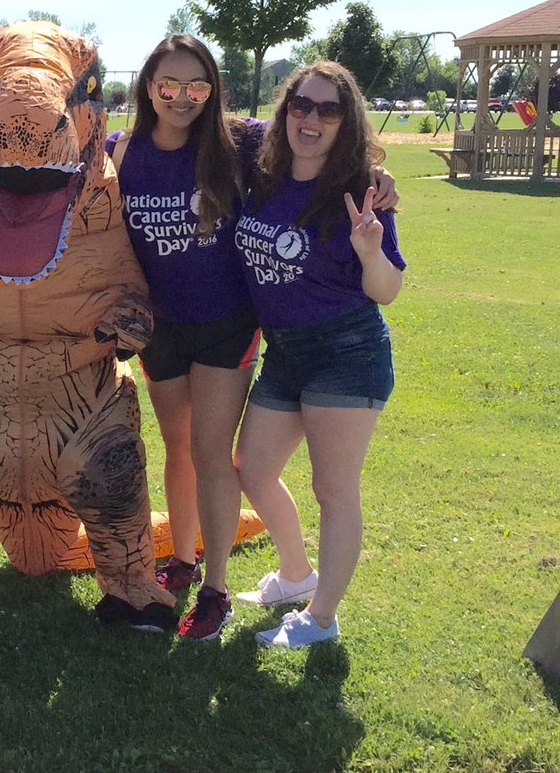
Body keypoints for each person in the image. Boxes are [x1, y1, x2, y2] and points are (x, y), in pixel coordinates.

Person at [229, 60, 405, 648]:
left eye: (328, 110)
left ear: (345, 121)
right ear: (286, 111)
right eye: (301, 105)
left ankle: (322, 619)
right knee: (251, 468)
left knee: (334, 490)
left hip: (346, 350)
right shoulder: (264, 173)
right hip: (285, 352)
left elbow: (386, 291)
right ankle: (296, 575)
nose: (311, 118)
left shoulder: (360, 192)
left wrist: (371, 249)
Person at [105, 36, 262, 621]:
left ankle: (216, 589)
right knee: (177, 448)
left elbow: (323, 153)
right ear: (149, 87)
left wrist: (377, 178)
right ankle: (184, 558)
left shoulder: (241, 143)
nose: (182, 98)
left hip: (227, 323)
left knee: (210, 450)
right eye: (168, 86)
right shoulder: (120, 152)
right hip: (161, 328)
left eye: (197, 87)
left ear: (212, 90)